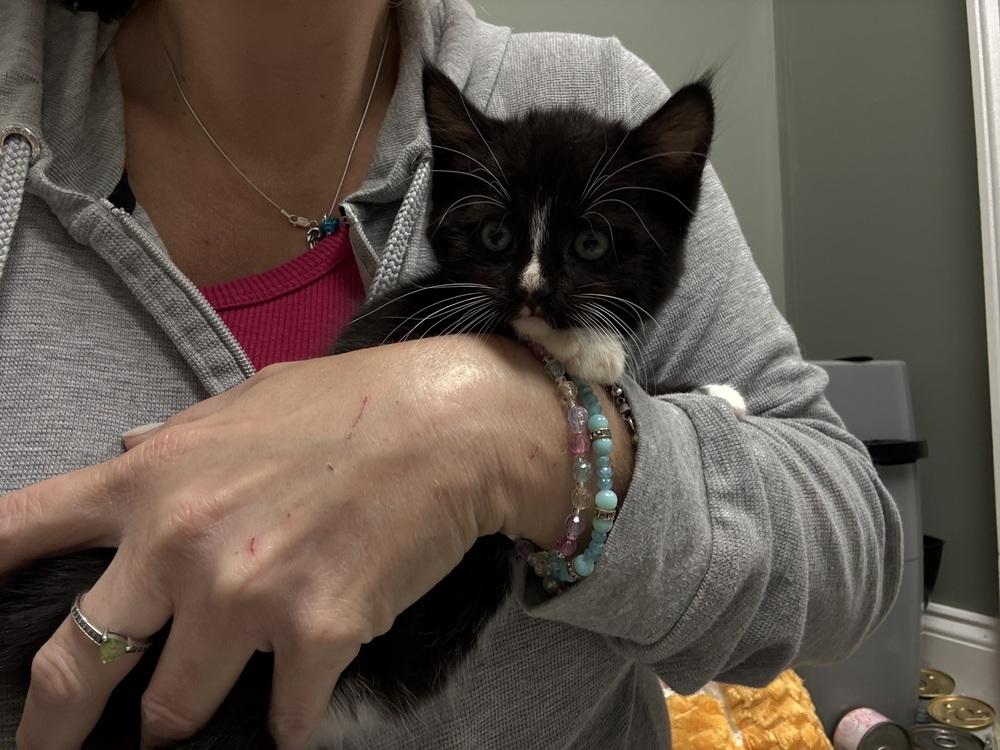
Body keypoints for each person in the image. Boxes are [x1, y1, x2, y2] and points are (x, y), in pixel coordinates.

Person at [0, 0, 903, 748]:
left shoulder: (595, 99)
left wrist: (531, 441)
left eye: (587, 246)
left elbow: (845, 547)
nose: (545, 281)